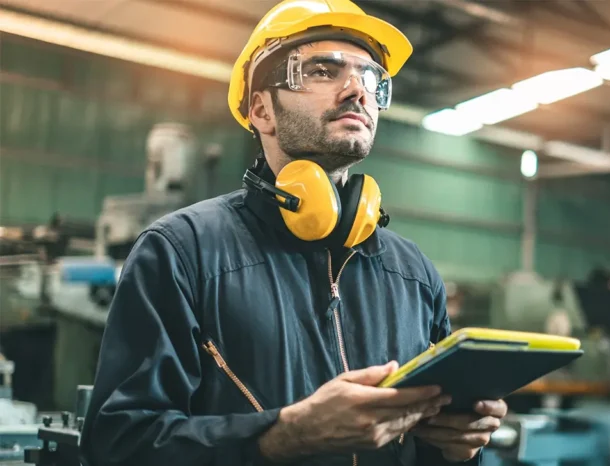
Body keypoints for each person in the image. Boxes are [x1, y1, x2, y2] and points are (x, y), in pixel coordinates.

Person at [79, 0, 507, 465]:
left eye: (370, 78)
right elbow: (118, 445)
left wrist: (457, 448)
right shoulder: (182, 253)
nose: (357, 91)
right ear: (261, 109)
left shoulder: (414, 275)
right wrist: (283, 435)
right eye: (324, 70)